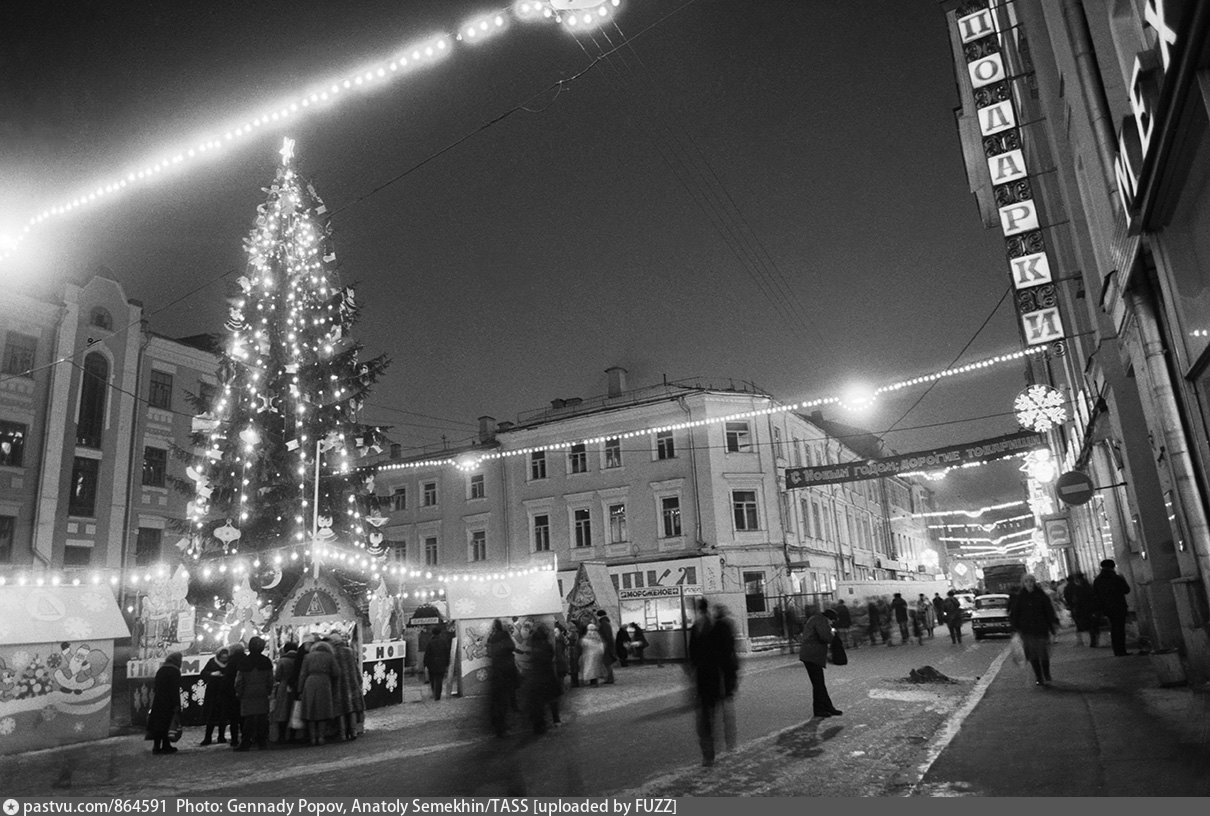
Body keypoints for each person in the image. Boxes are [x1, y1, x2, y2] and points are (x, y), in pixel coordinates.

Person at [688, 598, 733, 767]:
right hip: (713, 677)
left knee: (707, 718)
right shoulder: (715, 625)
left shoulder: (701, 626)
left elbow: (692, 652)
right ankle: (714, 748)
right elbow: (726, 654)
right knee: (712, 715)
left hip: (706, 677)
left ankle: (709, 753)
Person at [1009, 574, 1059, 685]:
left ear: (1034, 582)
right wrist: (1015, 628)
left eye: (1031, 581)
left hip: (1041, 628)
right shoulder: (1020, 597)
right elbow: (1015, 614)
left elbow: (1048, 611)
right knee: (1033, 655)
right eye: (1026, 581)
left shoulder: (1041, 596)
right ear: (1023, 583)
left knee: (1043, 653)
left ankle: (1046, 673)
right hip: (1027, 631)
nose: (1029, 583)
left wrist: (1052, 625)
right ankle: (1039, 677)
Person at [799, 608, 842, 719]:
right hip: (812, 655)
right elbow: (825, 637)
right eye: (832, 621)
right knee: (818, 684)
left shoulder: (815, 618)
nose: (832, 624)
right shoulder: (821, 621)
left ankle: (826, 707)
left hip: (810, 654)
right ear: (830, 618)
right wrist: (832, 633)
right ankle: (820, 709)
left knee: (819, 684)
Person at [234, 635, 274, 751]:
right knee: (262, 718)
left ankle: (246, 742)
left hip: (247, 693)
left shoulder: (244, 661)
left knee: (248, 719)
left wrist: (239, 692)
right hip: (261, 692)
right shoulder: (266, 661)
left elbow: (239, 680)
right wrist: (268, 690)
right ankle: (262, 742)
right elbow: (270, 679)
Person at [523, 623, 563, 733]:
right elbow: (550, 657)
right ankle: (556, 719)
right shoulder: (548, 646)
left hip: (536, 677)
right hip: (548, 675)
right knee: (552, 700)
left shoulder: (533, 646)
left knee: (538, 702)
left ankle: (539, 724)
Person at [298, 640, 337, 746]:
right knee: (322, 711)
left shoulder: (308, 657)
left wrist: (300, 689)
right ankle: (321, 736)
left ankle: (312, 737)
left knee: (310, 711)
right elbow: (336, 672)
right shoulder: (330, 657)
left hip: (309, 683)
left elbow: (302, 674)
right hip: (324, 683)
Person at [330, 631, 365, 740]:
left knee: (340, 710)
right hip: (351, 683)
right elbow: (355, 667)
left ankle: (343, 734)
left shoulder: (332, 653)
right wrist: (359, 680)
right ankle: (354, 731)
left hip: (338, 684)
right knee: (352, 708)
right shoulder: (349, 651)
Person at [488, 618, 520, 737]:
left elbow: (491, 652)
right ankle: (502, 726)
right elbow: (511, 646)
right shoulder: (504, 636)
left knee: (498, 699)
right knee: (504, 699)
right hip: (506, 670)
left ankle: (498, 725)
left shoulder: (492, 637)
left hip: (497, 671)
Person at [146, 652, 183, 755]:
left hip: (158, 701)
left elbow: (156, 686)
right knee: (167, 724)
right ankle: (166, 746)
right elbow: (174, 689)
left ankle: (156, 747)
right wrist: (176, 704)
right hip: (169, 702)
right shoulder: (175, 671)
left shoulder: (161, 670)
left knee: (158, 725)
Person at [1093, 559, 1132, 656]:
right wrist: (1123, 579)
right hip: (1119, 607)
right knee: (1120, 628)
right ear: (1113, 567)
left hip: (1107, 608)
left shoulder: (1097, 580)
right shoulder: (1116, 578)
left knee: (1114, 628)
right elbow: (1126, 590)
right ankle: (1121, 650)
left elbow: (1095, 595)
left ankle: (1116, 650)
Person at [198, 647, 230, 746]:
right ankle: (208, 737)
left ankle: (221, 736)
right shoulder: (212, 662)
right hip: (213, 692)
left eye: (225, 658)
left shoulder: (229, 663)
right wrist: (212, 674)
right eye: (222, 658)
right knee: (211, 715)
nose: (224, 660)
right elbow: (203, 673)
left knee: (223, 715)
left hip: (224, 692)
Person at [269, 642, 299, 743]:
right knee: (294, 710)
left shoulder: (282, 660)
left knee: (282, 710)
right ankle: (293, 736)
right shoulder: (299, 659)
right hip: (296, 686)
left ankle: (282, 736)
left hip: (284, 686)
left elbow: (277, 676)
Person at [1063, 572, 1100, 647]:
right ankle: (1094, 641)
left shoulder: (1073, 588)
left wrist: (1073, 606)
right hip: (1091, 608)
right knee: (1093, 625)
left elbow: (1072, 599)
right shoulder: (1089, 586)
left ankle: (1084, 641)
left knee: (1084, 625)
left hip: (1081, 609)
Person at [220, 642, 245, 748]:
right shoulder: (246, 660)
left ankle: (234, 739)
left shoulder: (231, 663)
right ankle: (245, 737)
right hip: (244, 692)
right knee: (244, 717)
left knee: (234, 718)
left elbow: (228, 679)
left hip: (232, 693)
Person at [424, 625, 452, 701]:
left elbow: (427, 654)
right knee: (439, 679)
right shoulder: (443, 642)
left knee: (432, 679)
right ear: (440, 633)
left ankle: (434, 692)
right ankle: (438, 695)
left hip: (432, 664)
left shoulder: (430, 642)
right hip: (441, 664)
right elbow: (447, 653)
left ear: (433, 633)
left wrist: (425, 664)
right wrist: (447, 663)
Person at [595, 611, 616, 684]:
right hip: (607, 644)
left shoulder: (603, 623)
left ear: (599, 615)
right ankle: (609, 678)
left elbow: (606, 635)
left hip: (606, 644)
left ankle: (610, 678)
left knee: (607, 662)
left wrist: (605, 644)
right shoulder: (606, 622)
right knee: (607, 662)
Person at [567, 622, 583, 688]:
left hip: (573, 651)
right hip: (574, 651)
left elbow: (570, 641)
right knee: (574, 668)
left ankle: (575, 683)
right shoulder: (575, 633)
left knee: (573, 667)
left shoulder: (573, 633)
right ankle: (574, 682)